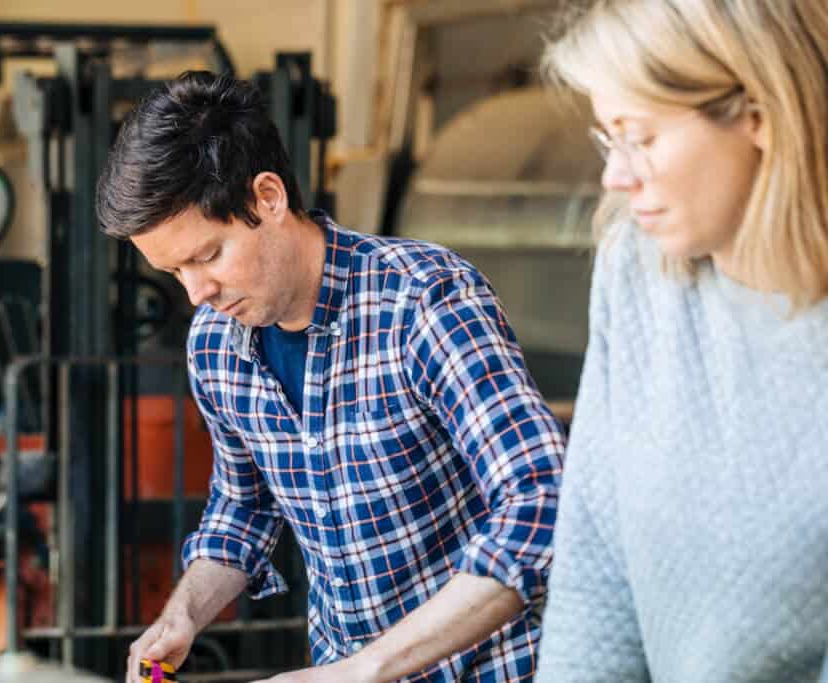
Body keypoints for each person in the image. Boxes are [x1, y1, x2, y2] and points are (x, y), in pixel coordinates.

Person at [96, 72, 565, 682]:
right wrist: (182, 614)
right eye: (174, 272)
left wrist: (362, 670)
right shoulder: (215, 345)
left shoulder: (423, 302)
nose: (196, 292)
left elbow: (540, 500)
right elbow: (244, 507)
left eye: (207, 256)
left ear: (268, 198)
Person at [536, 1, 828, 681]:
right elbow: (595, 569)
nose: (616, 177)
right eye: (608, 140)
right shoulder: (636, 268)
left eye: (640, 137)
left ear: (761, 115)